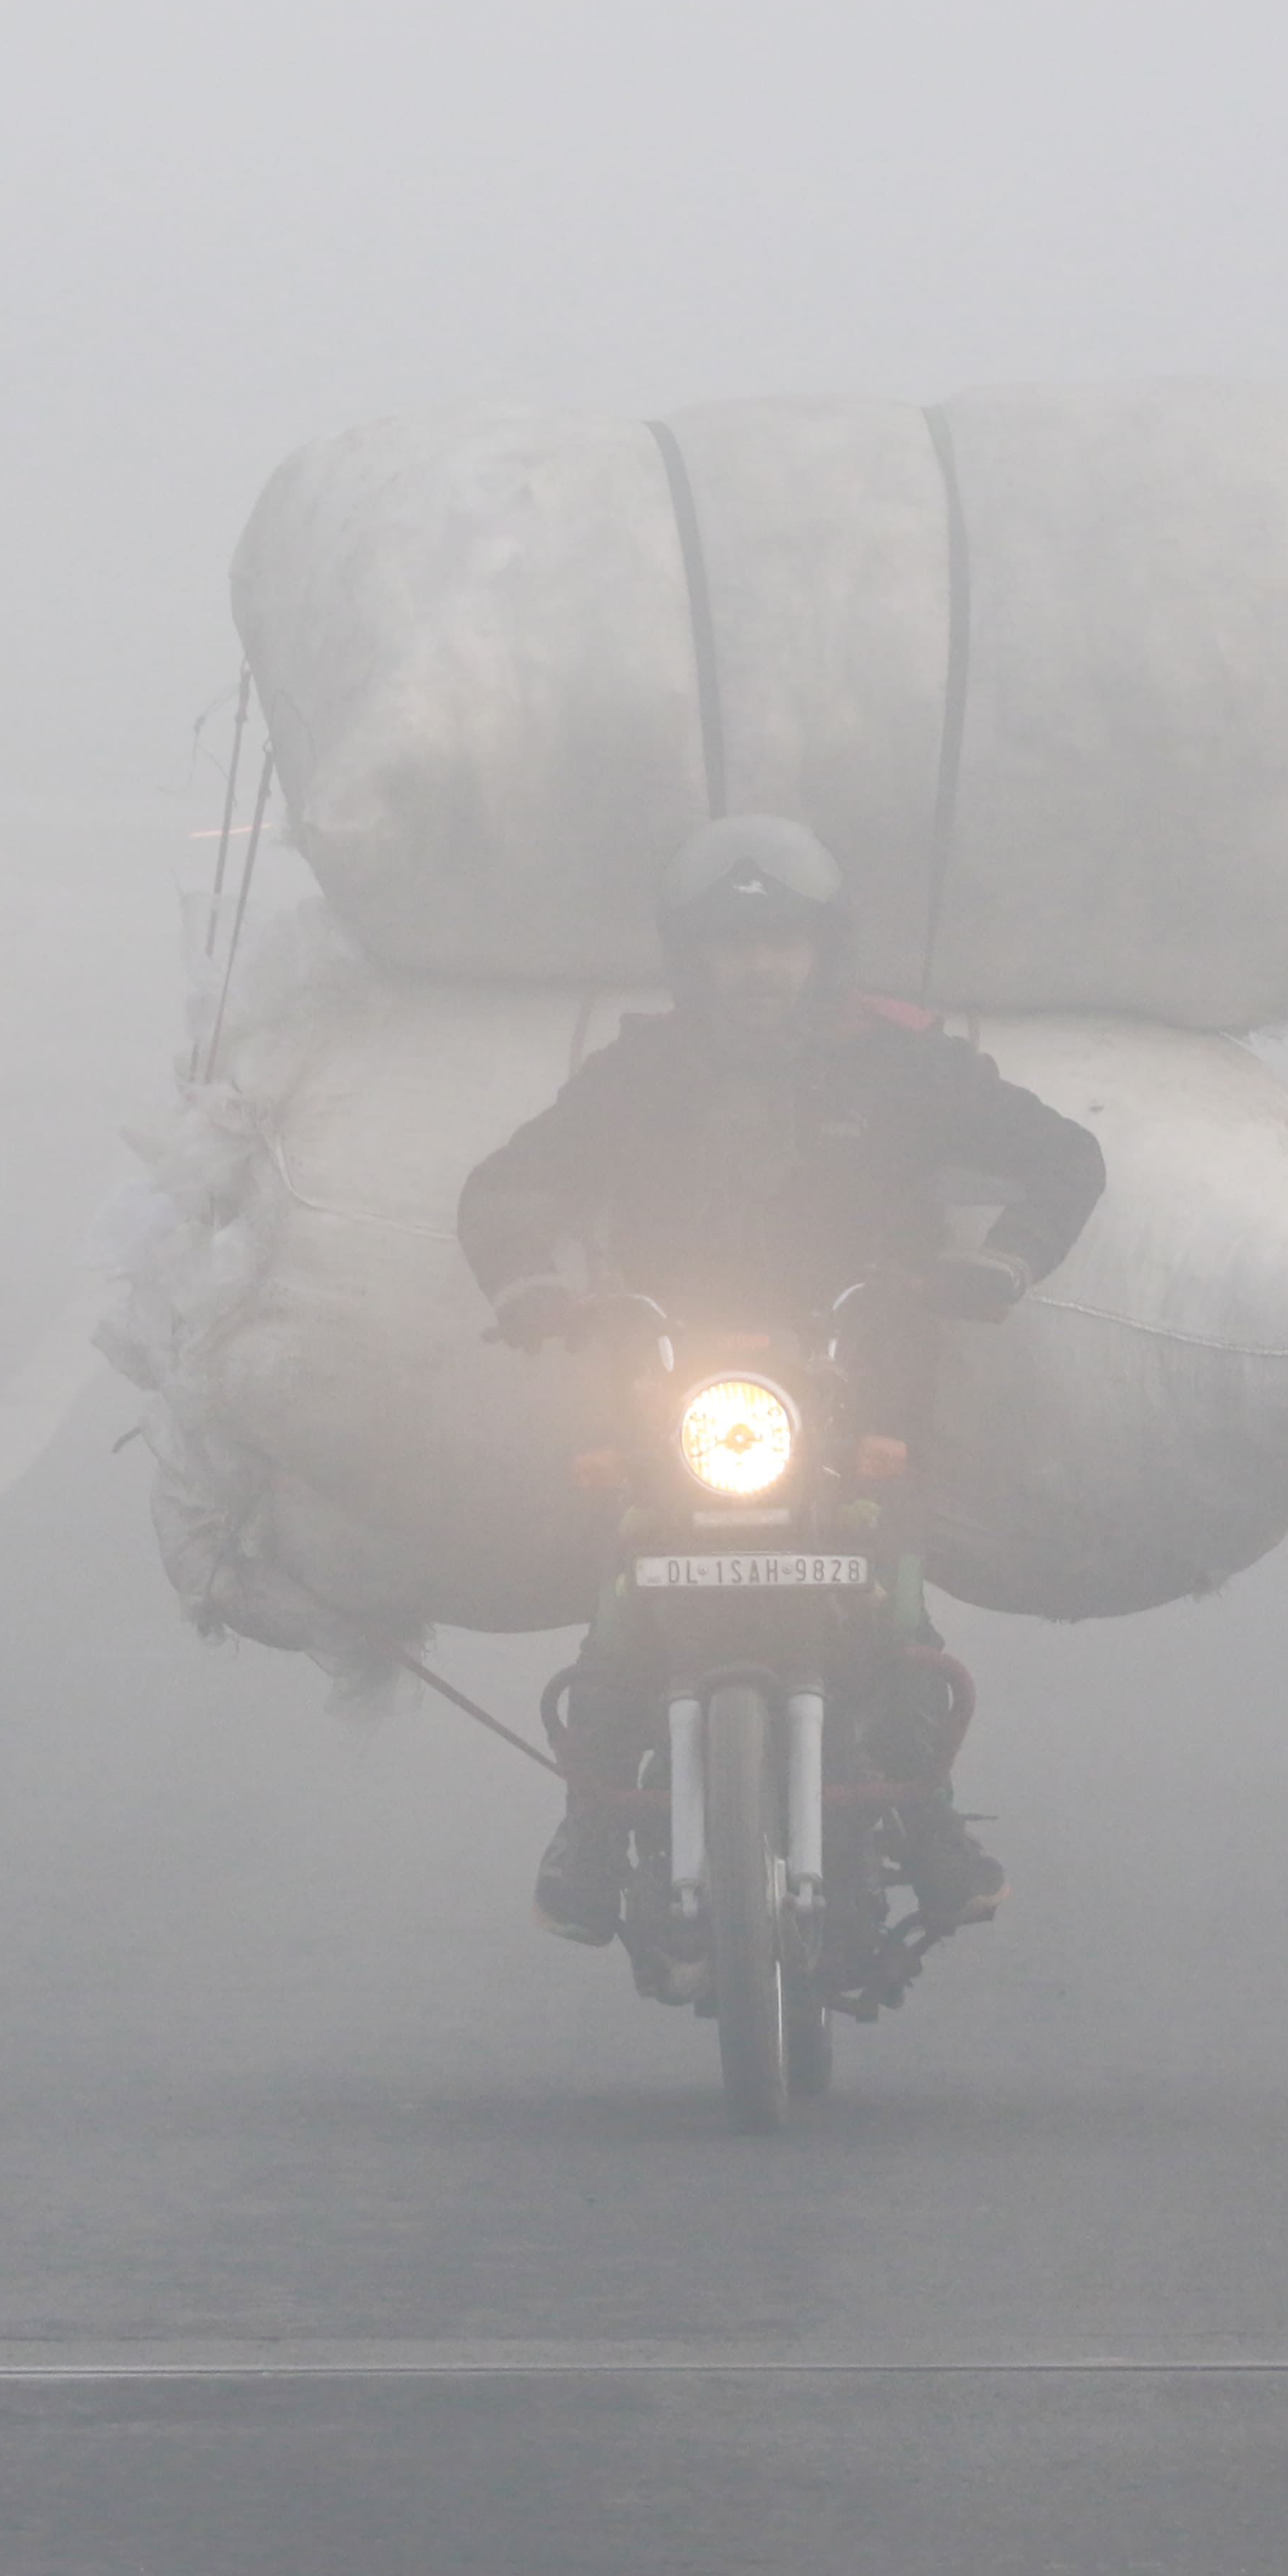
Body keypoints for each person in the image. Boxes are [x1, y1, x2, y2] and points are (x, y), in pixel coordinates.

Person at [460, 812, 1106, 1945]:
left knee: (887, 1596)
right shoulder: (638, 1075)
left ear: (824, 954)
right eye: (730, 944)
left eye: (782, 944)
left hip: (862, 1381)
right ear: (690, 960)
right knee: (626, 1589)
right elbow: (512, 1183)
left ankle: (930, 1818)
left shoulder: (907, 1066)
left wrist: (1003, 1260)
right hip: (672, 1384)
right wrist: (526, 1288)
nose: (758, 967)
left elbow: (1063, 1154)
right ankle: (592, 1822)